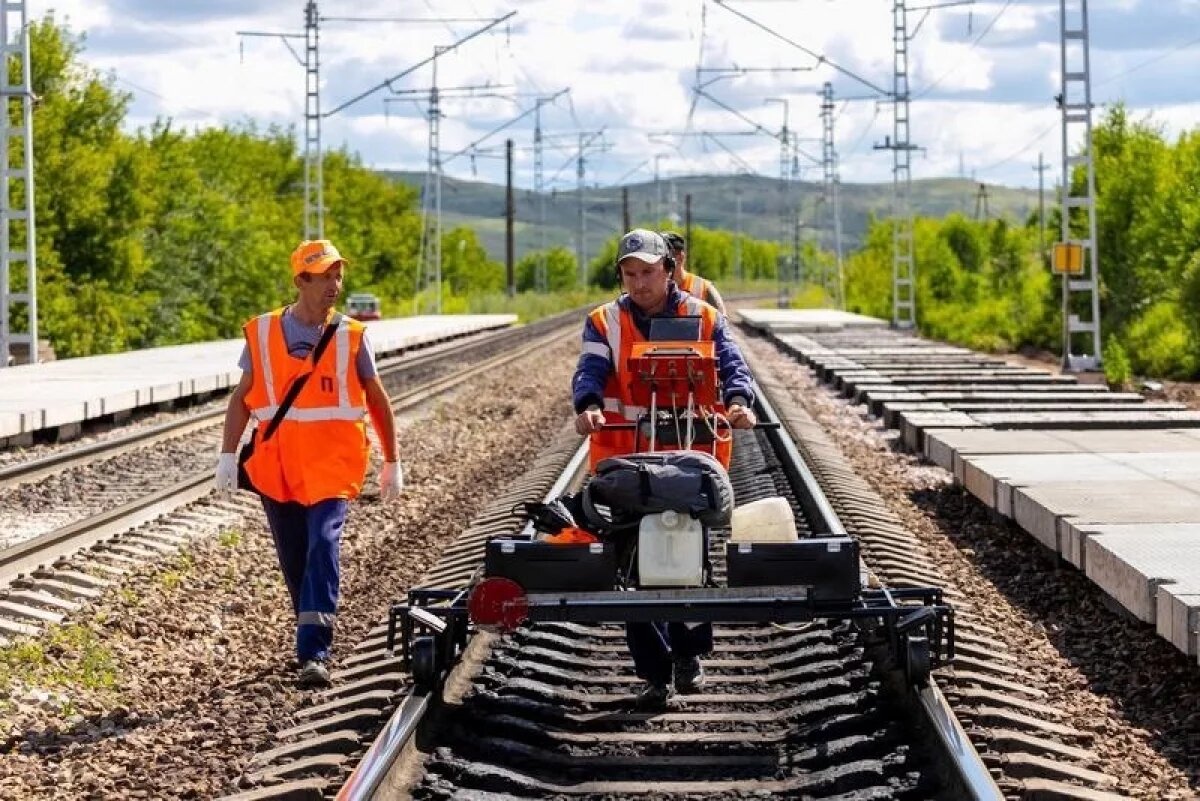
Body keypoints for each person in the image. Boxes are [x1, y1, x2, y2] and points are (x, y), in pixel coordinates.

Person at [572, 228, 757, 708]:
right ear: (621, 275)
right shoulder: (604, 321)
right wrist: (588, 406)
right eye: (630, 274)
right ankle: (655, 674)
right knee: (633, 569)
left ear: (669, 270)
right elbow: (590, 371)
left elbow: (732, 365)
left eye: (648, 273)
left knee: (690, 560)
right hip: (627, 462)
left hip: (692, 461)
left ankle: (688, 655)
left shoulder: (704, 316)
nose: (639, 284)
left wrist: (739, 402)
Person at [213, 239, 404, 688]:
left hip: (332, 468)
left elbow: (376, 398)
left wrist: (392, 459)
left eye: (338, 276)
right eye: (324, 277)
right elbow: (242, 397)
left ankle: (314, 651)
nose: (334, 285)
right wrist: (227, 454)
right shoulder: (262, 332)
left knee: (323, 544)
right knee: (295, 557)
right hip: (277, 468)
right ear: (301, 280)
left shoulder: (352, 335)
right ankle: (309, 626)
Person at [660, 230, 727, 314]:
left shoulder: (703, 288)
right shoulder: (654, 288)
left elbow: (721, 318)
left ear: (680, 257)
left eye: (666, 257)